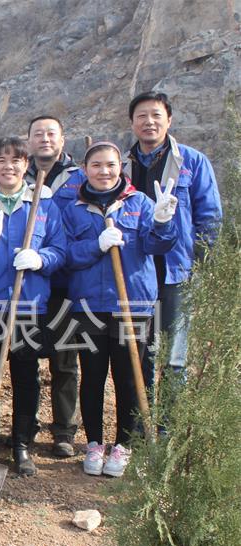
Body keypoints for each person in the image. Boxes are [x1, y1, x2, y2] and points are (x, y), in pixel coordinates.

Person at [63, 141, 177, 476]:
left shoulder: (139, 203)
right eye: (96, 165)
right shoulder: (74, 209)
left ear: (120, 168)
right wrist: (96, 245)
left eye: (110, 165)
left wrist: (161, 221)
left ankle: (124, 445)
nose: (104, 171)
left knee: (129, 376)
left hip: (133, 304)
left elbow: (157, 245)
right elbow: (68, 256)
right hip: (88, 306)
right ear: (85, 169)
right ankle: (95, 443)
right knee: (92, 375)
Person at [0, 137, 66, 476]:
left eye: (17, 160)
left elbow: (60, 251)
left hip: (27, 304)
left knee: (26, 375)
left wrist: (40, 258)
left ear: (27, 165)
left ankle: (22, 443)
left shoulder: (45, 204)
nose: (9, 166)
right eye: (2, 160)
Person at [122, 92, 222, 400]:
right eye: (142, 116)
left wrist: (199, 266)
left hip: (175, 273)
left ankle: (166, 432)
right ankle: (141, 426)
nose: (149, 122)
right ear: (132, 123)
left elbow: (210, 218)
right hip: (137, 272)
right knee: (141, 353)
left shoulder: (191, 161)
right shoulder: (123, 165)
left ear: (169, 120)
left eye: (156, 115)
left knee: (174, 357)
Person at [26, 115, 87, 457]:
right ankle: (28, 425)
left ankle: (64, 431)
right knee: (27, 357)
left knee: (65, 360)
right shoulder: (21, 175)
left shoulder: (80, 179)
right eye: (38, 134)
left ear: (63, 139)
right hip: (31, 286)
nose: (45, 139)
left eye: (51, 133)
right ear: (29, 140)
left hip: (66, 285)